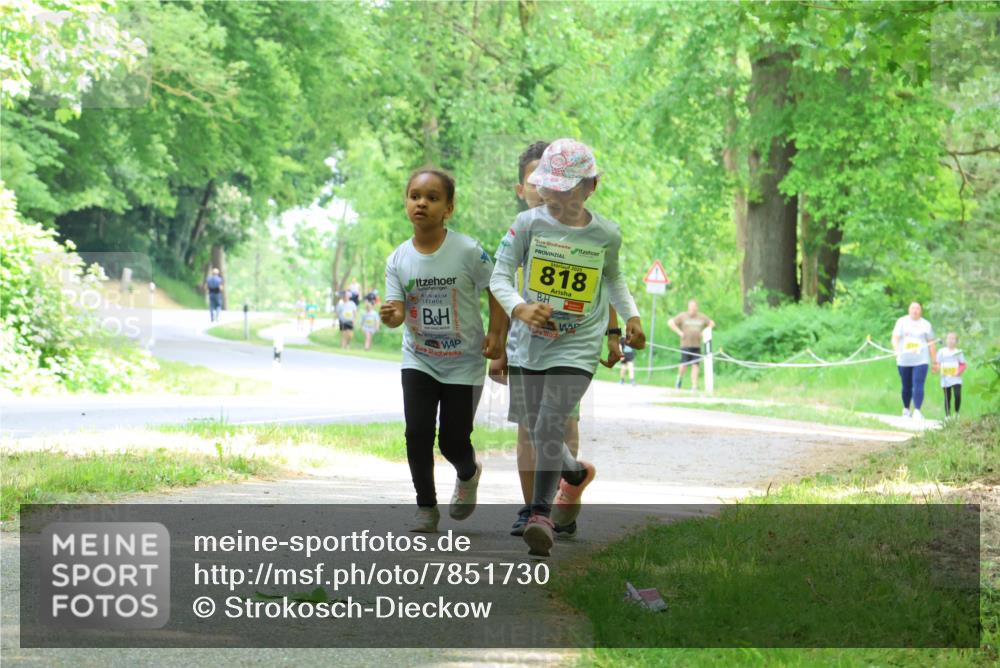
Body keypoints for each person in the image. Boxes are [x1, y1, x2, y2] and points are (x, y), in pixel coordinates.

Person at [491, 138, 644, 557]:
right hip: (529, 346)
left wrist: (630, 317)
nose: (555, 196)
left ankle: (539, 515)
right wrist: (519, 309)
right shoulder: (526, 226)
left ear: (591, 186)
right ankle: (573, 474)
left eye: (566, 189)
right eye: (549, 188)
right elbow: (499, 277)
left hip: (577, 344)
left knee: (548, 424)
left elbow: (613, 278)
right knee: (536, 425)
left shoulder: (606, 234)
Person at [382, 167, 506, 533]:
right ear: (407, 202)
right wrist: (391, 315)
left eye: (432, 198)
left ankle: (468, 472)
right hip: (418, 358)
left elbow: (497, 286)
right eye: (415, 196)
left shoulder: (467, 250)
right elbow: (397, 313)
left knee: (453, 441)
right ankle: (426, 507)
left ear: (448, 208)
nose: (422, 203)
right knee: (417, 432)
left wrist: (497, 334)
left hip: (464, 361)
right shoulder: (398, 259)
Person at [892, 301, 937, 420]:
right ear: (909, 310)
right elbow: (895, 338)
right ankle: (906, 409)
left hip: (921, 360)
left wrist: (934, 362)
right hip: (904, 360)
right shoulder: (901, 322)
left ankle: (917, 410)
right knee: (906, 385)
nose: (915, 310)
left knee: (918, 383)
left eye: (917, 308)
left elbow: (931, 343)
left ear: (921, 311)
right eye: (913, 308)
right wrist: (896, 351)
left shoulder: (926, 324)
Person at [668, 300, 715, 391]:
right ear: (688, 307)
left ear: (697, 307)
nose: (693, 309)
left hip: (697, 345)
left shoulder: (701, 317)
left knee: (695, 365)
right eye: (691, 307)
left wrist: (705, 332)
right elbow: (670, 322)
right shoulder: (683, 316)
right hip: (686, 345)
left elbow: (711, 323)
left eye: (694, 307)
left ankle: (694, 385)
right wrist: (679, 333)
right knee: (684, 365)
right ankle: (679, 378)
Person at [936, 331, 966, 419]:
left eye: (953, 339)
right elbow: (937, 363)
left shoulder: (958, 352)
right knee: (947, 396)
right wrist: (939, 369)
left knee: (957, 395)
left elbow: (963, 364)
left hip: (956, 378)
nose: (950, 341)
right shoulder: (941, 351)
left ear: (956, 341)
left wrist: (958, 372)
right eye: (949, 338)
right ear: (946, 340)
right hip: (945, 378)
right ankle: (947, 415)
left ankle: (956, 413)